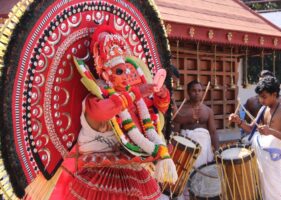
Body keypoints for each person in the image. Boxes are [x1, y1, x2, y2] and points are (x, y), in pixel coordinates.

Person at [49, 26, 177, 200]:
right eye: (119, 72)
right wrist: (135, 93)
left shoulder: (130, 99)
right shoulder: (96, 99)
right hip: (97, 180)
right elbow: (103, 112)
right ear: (105, 73)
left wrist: (161, 96)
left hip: (133, 175)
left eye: (127, 71)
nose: (125, 77)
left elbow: (152, 115)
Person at [229, 76, 281, 200]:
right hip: (260, 157)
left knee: (275, 193)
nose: (261, 100)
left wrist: (270, 131)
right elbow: (250, 129)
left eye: (264, 97)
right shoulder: (263, 109)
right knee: (260, 192)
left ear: (274, 94)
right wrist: (239, 121)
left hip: (273, 160)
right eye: (260, 97)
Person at [173, 80, 219, 168]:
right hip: (188, 149)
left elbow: (213, 132)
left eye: (199, 90)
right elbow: (176, 132)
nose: (197, 93)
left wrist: (217, 150)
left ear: (202, 92)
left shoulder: (208, 110)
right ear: (188, 92)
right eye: (194, 90)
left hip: (204, 148)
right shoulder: (181, 110)